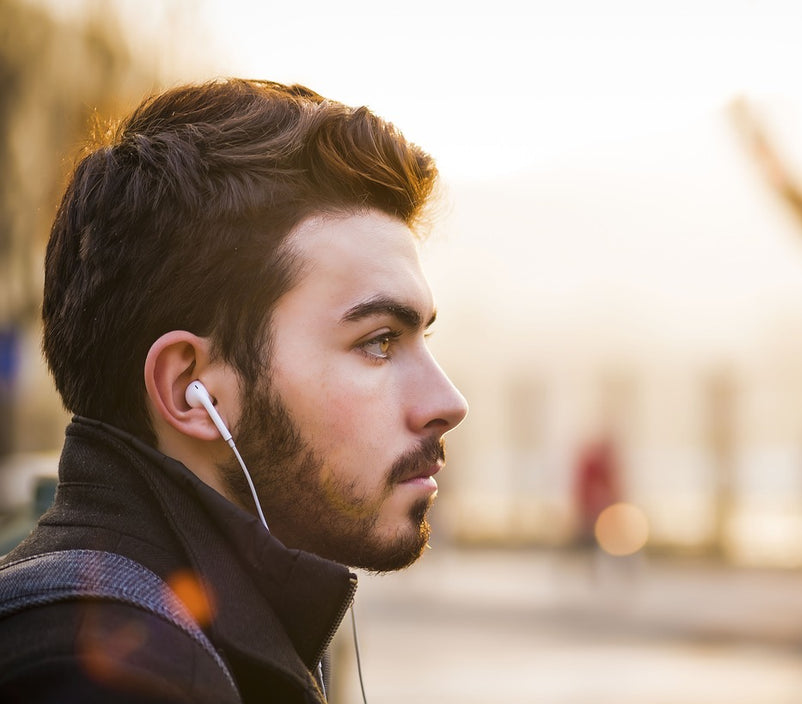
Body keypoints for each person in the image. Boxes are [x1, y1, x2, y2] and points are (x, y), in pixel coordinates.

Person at [0, 78, 468, 703]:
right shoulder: (111, 673)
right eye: (378, 341)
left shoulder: (186, 638)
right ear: (191, 388)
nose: (447, 403)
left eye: (422, 339)